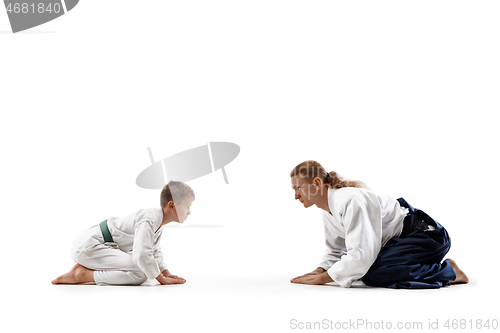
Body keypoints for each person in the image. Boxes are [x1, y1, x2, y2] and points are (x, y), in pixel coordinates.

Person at [289, 160, 469, 289]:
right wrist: (319, 270)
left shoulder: (350, 199)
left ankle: (449, 271)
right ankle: (415, 263)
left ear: (317, 183)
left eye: (299, 188)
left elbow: (362, 256)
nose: (296, 195)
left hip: (427, 236)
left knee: (374, 273)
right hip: (401, 242)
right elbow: (336, 250)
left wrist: (323, 279)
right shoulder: (327, 209)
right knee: (366, 271)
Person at [52, 180, 194, 286]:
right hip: (88, 246)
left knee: (144, 267)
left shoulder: (158, 222)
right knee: (141, 273)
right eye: (187, 206)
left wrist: (166, 273)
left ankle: (88, 269)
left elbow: (154, 250)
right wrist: (161, 279)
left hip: (101, 247)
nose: (189, 212)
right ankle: (82, 275)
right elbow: (142, 254)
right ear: (171, 205)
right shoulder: (149, 219)